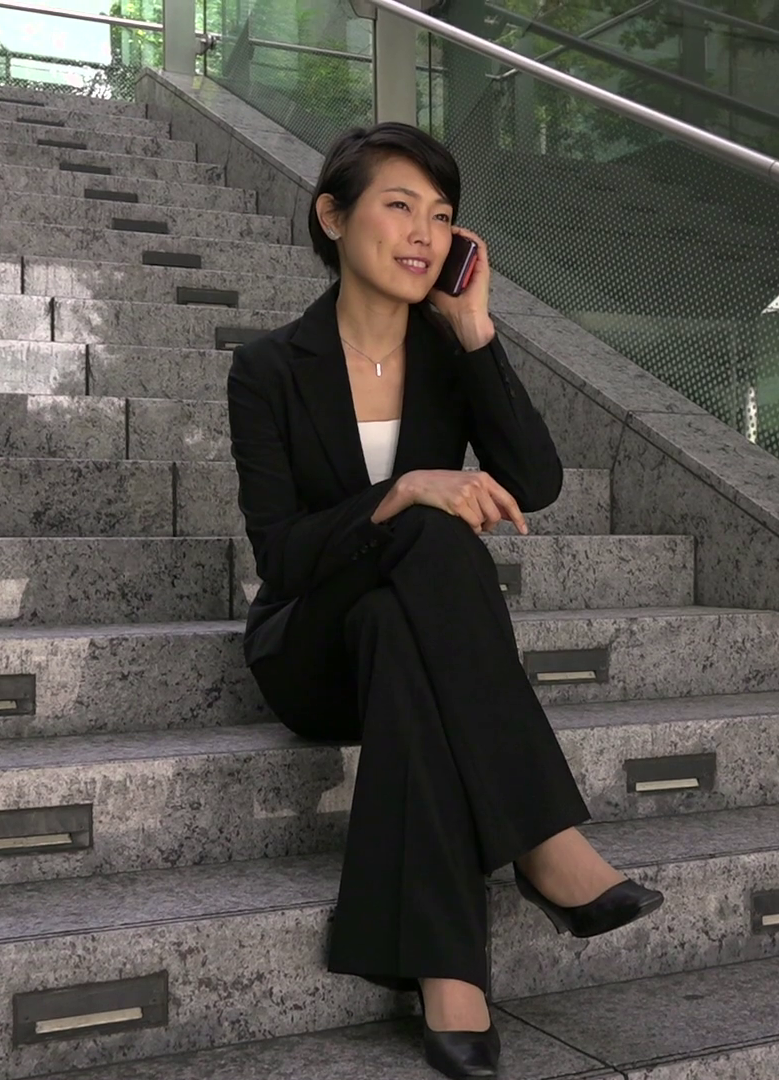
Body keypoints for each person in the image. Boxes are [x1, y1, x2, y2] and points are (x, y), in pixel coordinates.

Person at [225, 121, 665, 1079]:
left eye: (442, 215)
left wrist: (474, 332)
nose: (424, 233)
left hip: (401, 641)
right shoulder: (268, 370)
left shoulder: (446, 354)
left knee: (402, 622)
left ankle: (448, 971)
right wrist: (403, 492)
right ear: (332, 217)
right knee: (429, 528)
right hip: (308, 649)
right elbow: (284, 558)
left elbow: (535, 483)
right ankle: (544, 841)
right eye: (400, 206)